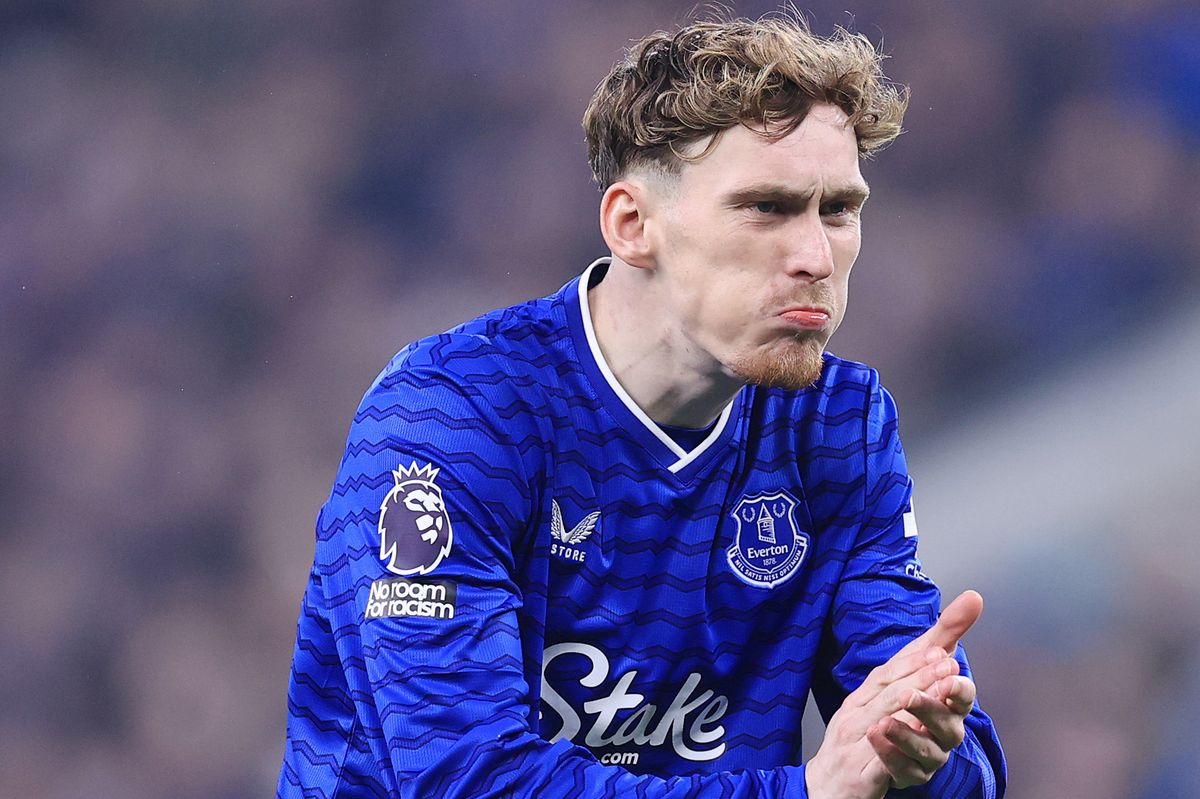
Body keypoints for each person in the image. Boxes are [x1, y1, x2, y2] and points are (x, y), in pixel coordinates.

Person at [277, 15, 1006, 799]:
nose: (815, 257)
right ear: (632, 225)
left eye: (838, 210)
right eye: (767, 208)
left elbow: (953, 767)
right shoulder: (452, 417)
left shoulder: (837, 425)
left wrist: (923, 748)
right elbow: (466, 778)